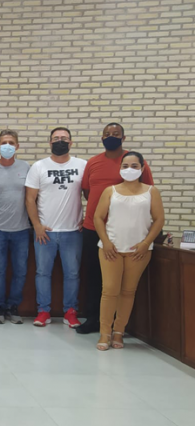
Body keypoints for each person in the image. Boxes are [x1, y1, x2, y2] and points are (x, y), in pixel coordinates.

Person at [76, 123, 154, 335]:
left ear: (123, 138)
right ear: (102, 138)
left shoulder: (132, 162)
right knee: (94, 276)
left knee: (121, 283)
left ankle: (118, 325)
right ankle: (93, 319)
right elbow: (87, 191)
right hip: (93, 227)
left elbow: (147, 190)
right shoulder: (93, 162)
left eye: (116, 134)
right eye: (107, 134)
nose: (111, 137)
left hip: (123, 230)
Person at [93, 151, 164, 350]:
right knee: (109, 291)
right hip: (111, 249)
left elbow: (159, 219)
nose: (129, 169)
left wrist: (146, 243)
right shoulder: (110, 191)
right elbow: (98, 217)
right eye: (125, 166)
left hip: (139, 251)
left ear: (142, 168)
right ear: (120, 168)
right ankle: (104, 333)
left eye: (134, 166)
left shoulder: (151, 192)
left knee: (128, 292)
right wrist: (106, 241)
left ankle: (118, 332)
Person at [25, 127, 87, 328]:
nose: (60, 141)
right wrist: (36, 225)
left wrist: (87, 219)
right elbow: (30, 199)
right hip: (46, 232)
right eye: (56, 138)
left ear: (71, 142)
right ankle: (43, 311)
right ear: (50, 142)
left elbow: (92, 195)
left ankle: (70, 312)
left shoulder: (82, 165)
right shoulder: (39, 167)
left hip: (73, 231)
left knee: (72, 274)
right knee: (43, 273)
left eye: (64, 138)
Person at [0, 129, 31, 325]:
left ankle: (13, 307)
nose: (7, 146)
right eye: (4, 143)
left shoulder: (26, 167)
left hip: (22, 230)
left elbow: (33, 197)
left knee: (20, 271)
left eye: (11, 143)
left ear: (17, 146)